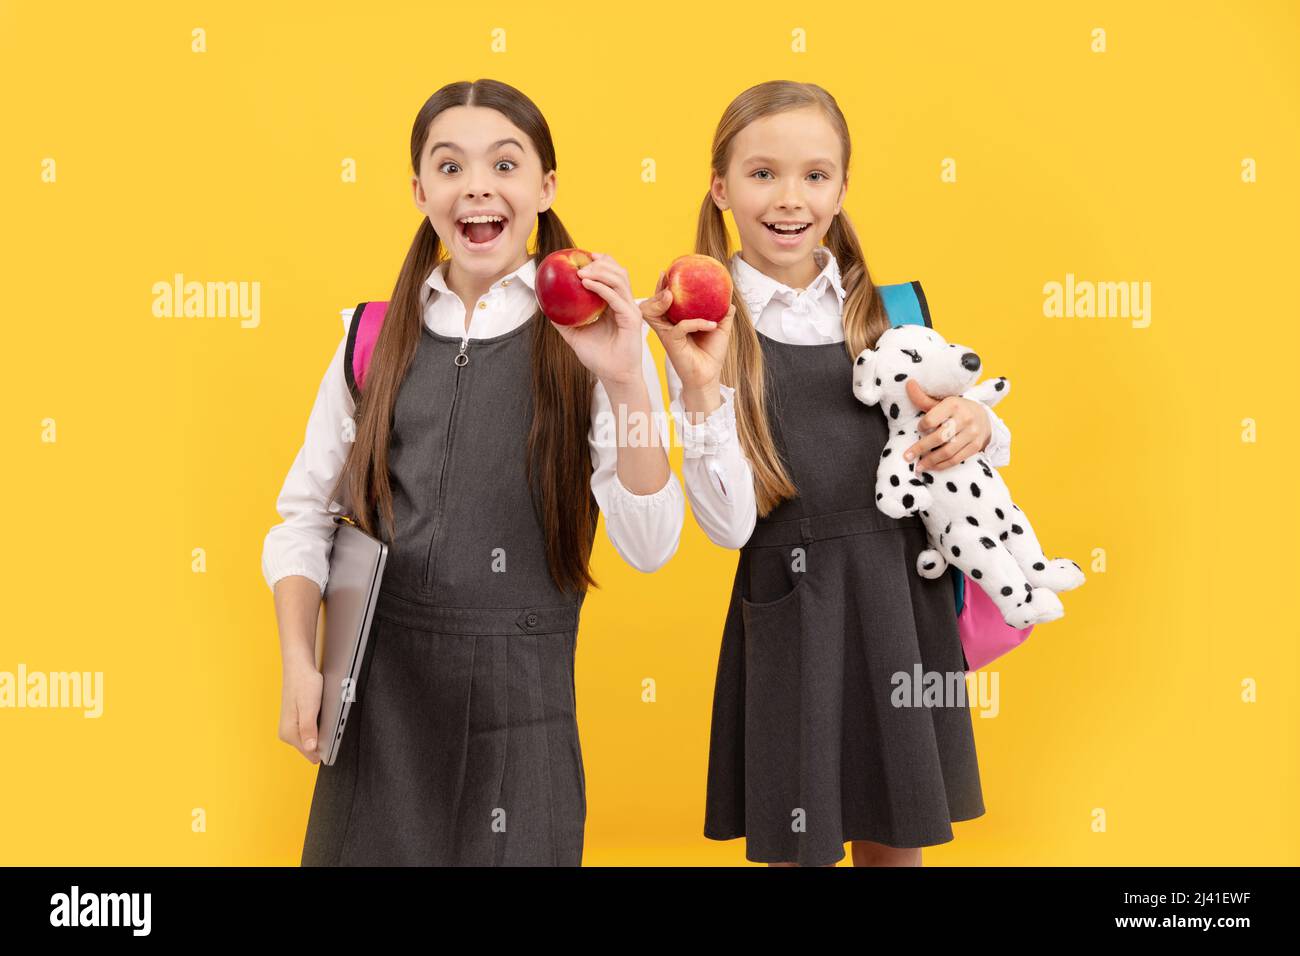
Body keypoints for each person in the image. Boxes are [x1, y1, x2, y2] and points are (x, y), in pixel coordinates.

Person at [261, 78, 684, 866]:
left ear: (545, 187)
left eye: (505, 163)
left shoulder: (599, 340)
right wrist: (298, 658)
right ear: (420, 190)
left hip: (525, 706)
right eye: (450, 166)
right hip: (383, 695)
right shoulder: (371, 336)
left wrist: (628, 379)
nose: (478, 186)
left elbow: (652, 543)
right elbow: (302, 518)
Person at [641, 80, 1013, 867]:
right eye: (762, 173)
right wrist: (703, 388)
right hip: (790, 607)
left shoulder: (895, 310)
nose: (789, 198)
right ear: (721, 187)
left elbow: (959, 444)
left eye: (815, 175)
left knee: (898, 835)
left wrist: (982, 424)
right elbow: (731, 527)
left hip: (898, 600)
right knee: (798, 843)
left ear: (843, 188)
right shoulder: (702, 329)